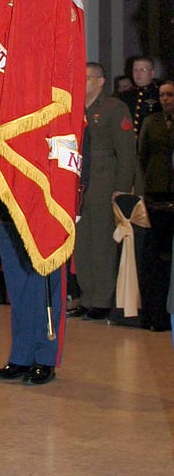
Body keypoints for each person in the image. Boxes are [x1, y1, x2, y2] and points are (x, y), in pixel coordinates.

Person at [0, 177, 65, 385]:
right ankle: (21, 357)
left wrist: (73, 201)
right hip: (6, 202)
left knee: (46, 284)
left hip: (46, 203)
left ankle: (45, 357)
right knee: (18, 285)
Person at [68, 62, 137, 320]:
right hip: (78, 184)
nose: (82, 82)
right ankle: (87, 297)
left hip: (102, 182)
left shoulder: (113, 108)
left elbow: (126, 151)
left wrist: (121, 188)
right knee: (82, 242)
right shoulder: (74, 108)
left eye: (87, 78)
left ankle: (102, 299)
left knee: (101, 243)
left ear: (100, 81)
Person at [137, 80, 174, 195]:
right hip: (155, 182)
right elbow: (142, 154)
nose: (165, 99)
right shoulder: (151, 121)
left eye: (169, 95)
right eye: (161, 95)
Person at [119, 56, 161, 138]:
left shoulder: (159, 94)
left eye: (143, 70)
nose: (138, 74)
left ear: (152, 73)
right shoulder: (125, 96)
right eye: (135, 70)